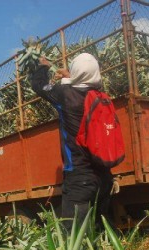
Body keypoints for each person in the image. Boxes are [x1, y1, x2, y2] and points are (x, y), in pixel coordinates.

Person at [30, 52, 113, 231]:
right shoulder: (101, 96)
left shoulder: (65, 95)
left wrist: (43, 66)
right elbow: (83, 87)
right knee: (100, 233)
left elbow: (38, 85)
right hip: (105, 177)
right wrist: (71, 77)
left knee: (74, 238)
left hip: (79, 178)